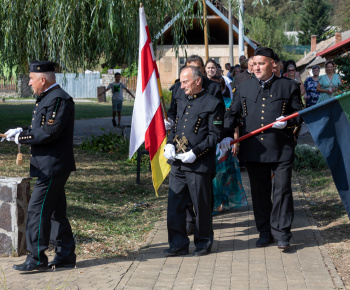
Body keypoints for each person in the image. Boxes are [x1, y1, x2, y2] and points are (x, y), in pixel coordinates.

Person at [221, 47, 303, 249]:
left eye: (261, 63)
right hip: (255, 150)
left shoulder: (289, 86)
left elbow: (299, 114)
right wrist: (224, 135)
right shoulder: (243, 88)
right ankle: (265, 231)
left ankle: (282, 232)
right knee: (259, 193)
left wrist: (289, 122)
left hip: (281, 147)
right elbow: (232, 113)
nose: (257, 67)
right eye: (254, 64)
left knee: (282, 191)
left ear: (272, 64)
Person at [3, 61, 77, 271]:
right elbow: (41, 127)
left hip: (53, 166)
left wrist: (22, 137)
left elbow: (49, 132)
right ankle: (65, 255)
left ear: (42, 80)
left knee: (36, 210)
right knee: (54, 211)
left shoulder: (59, 99)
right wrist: (20, 130)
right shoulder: (48, 98)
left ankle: (36, 258)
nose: (29, 82)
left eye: (31, 79)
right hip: (48, 165)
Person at [163, 66, 224, 257]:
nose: (181, 86)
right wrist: (169, 144)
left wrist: (196, 152)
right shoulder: (181, 99)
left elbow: (215, 135)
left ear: (198, 81)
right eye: (181, 81)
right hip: (179, 162)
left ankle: (203, 242)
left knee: (201, 206)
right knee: (174, 205)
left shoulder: (213, 103)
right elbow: (176, 126)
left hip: (199, 163)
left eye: (185, 82)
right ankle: (178, 244)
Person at [212, 76, 247, 213]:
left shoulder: (229, 103)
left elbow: (235, 125)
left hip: (227, 143)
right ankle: (213, 202)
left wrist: (236, 142)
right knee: (214, 177)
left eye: (217, 87)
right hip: (212, 144)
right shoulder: (207, 102)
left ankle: (223, 201)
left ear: (222, 88)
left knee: (224, 175)